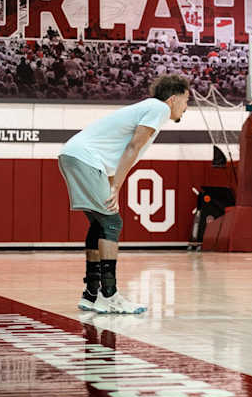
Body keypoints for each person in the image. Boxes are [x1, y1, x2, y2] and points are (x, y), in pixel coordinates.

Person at [58, 74, 190, 314]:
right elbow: (133, 147)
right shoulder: (159, 108)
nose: (186, 106)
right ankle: (109, 294)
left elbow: (113, 158)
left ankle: (91, 294)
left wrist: (112, 183)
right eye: (186, 100)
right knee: (111, 222)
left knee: (100, 224)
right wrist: (116, 188)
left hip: (74, 156)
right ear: (173, 99)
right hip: (85, 158)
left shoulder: (147, 108)